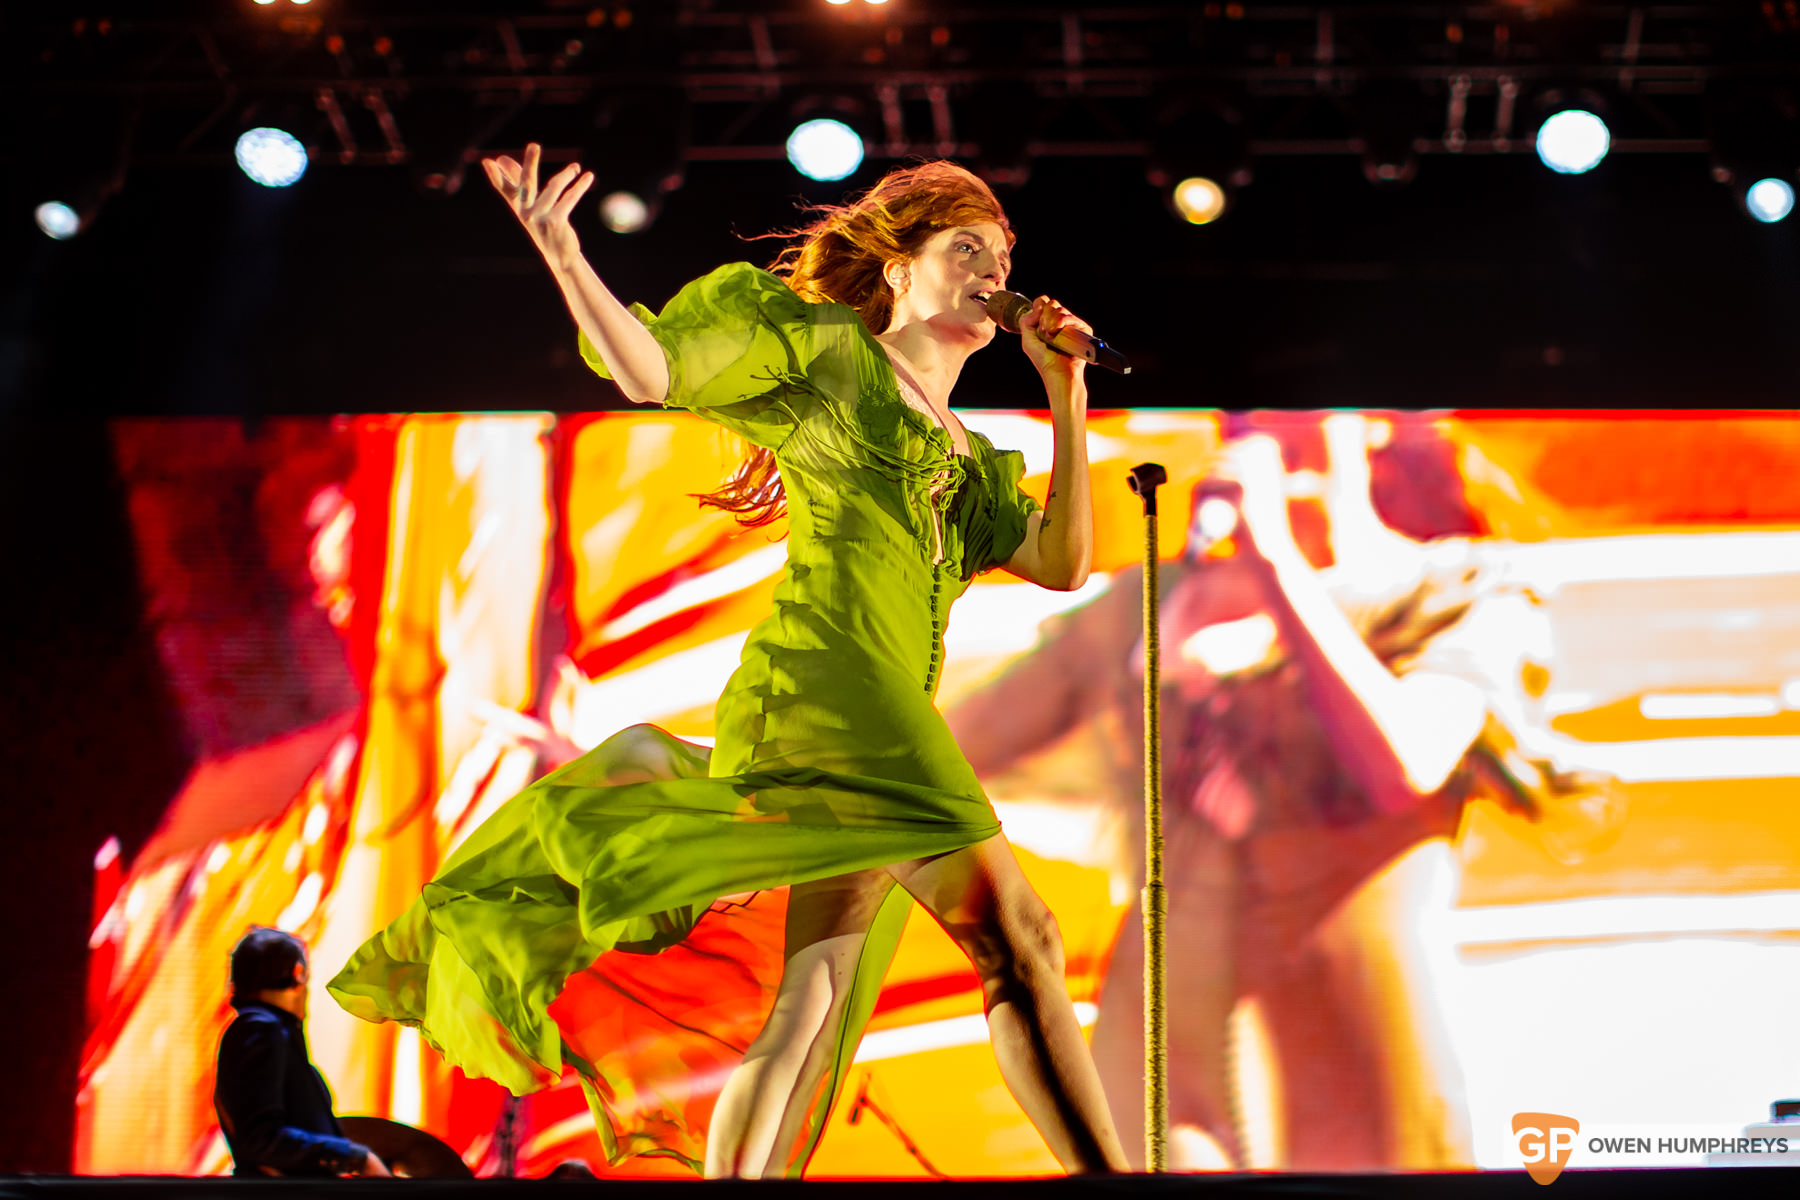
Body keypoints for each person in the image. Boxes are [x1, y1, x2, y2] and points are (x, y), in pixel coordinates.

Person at [328, 145, 1128, 1179]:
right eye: (964, 246)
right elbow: (649, 371)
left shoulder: (969, 458)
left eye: (1004, 252)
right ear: (896, 271)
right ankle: (1116, 1181)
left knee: (814, 1001)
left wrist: (1064, 390)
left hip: (861, 705)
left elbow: (1062, 564)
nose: (992, 268)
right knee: (1020, 937)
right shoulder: (834, 357)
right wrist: (568, 259)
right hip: (834, 692)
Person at [946, 412, 1609, 1170]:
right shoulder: (1152, 599)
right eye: (1245, 417)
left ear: (1376, 428)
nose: (1264, 431)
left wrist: (1277, 564)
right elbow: (960, 742)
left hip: (1347, 1033)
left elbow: (1407, 762)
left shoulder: (1460, 588)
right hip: (1162, 1020)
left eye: (1294, 413)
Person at [215, 927, 390, 1178]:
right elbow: (261, 1139)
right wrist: (356, 1158)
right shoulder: (260, 1029)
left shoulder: (264, 1031)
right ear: (298, 973)